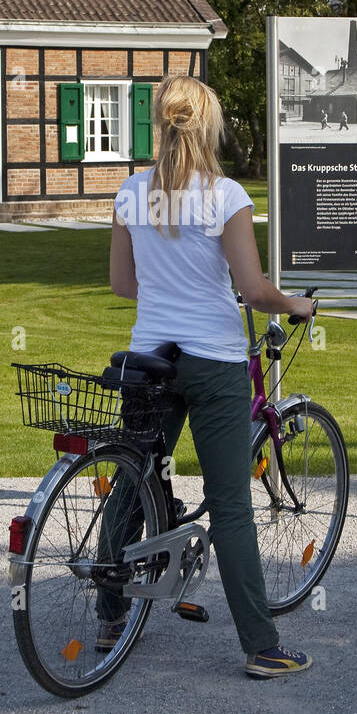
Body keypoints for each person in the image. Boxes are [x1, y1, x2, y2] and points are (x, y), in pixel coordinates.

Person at [109, 75, 316, 679]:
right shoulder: (226, 196)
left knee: (132, 478)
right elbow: (252, 291)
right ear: (210, 127)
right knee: (230, 504)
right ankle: (260, 645)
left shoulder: (130, 193)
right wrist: (296, 306)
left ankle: (108, 615)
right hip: (214, 362)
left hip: (148, 359)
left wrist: (169, 291)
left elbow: (124, 285)